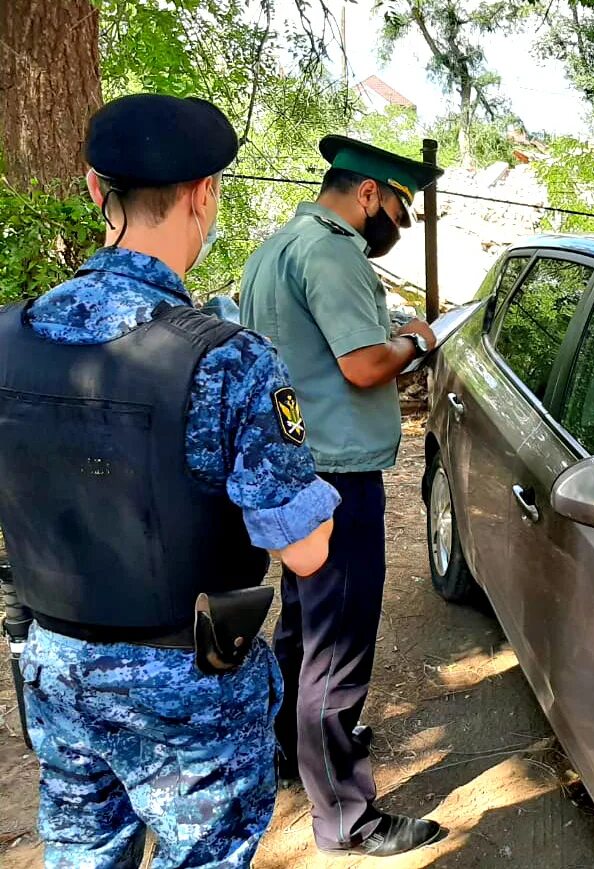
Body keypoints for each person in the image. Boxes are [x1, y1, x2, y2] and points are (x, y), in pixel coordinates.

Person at [0, 94, 340, 868]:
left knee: (83, 855)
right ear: (204, 194)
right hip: (186, 685)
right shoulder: (230, 360)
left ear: (95, 189)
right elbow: (309, 551)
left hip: (55, 666)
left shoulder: (7, 336)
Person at [239, 135, 442, 856]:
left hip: (294, 467)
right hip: (338, 476)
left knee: (303, 627)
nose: (392, 224)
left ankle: (294, 751)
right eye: (394, 208)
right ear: (367, 195)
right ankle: (346, 816)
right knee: (340, 643)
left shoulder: (273, 249)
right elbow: (361, 366)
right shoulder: (332, 252)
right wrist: (417, 340)